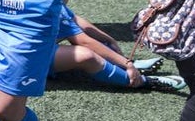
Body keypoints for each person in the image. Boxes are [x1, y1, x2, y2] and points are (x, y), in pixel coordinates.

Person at [51, 5, 185, 91]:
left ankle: (123, 64)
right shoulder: (49, 0)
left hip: (39, 51)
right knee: (86, 55)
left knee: (97, 42)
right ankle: (144, 81)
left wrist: (109, 40)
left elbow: (75, 20)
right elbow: (84, 42)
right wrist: (126, 64)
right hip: (37, 59)